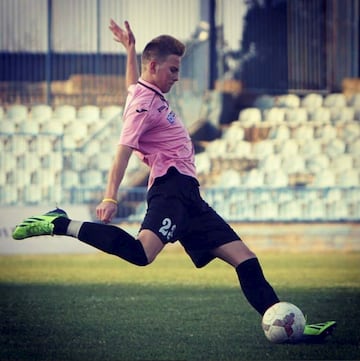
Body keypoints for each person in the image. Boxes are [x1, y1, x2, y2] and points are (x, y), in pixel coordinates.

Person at [12, 19, 335, 341]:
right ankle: (59, 223)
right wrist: (110, 196)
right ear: (154, 66)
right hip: (171, 189)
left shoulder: (142, 92)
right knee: (142, 254)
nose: (177, 78)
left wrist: (129, 50)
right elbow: (122, 152)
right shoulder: (143, 106)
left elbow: (131, 88)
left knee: (246, 260)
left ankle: (292, 326)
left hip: (190, 197)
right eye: (173, 70)